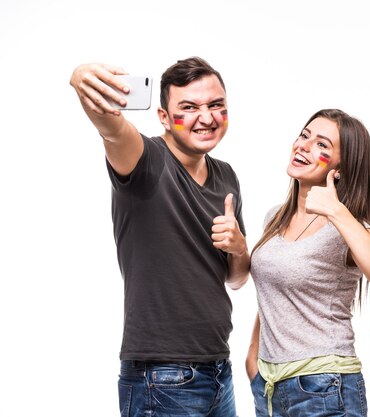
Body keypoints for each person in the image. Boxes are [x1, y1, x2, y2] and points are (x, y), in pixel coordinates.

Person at [69, 57, 249, 417]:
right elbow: (113, 130)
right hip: (160, 376)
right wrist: (81, 79)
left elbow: (236, 277)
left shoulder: (226, 176)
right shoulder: (146, 158)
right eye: (189, 107)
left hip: (218, 368)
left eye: (216, 105)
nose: (207, 117)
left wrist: (239, 247)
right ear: (164, 117)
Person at [245, 109, 370, 417]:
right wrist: (253, 360)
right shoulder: (274, 218)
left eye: (322, 145)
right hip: (271, 386)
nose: (303, 145)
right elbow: (272, 293)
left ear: (340, 168)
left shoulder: (350, 228)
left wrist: (337, 211)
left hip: (324, 387)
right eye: (304, 136)